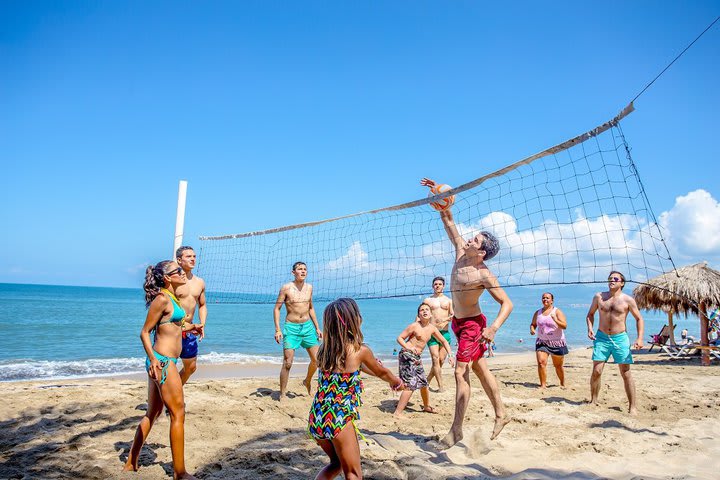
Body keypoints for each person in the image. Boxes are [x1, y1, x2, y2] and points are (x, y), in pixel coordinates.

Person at [421, 177, 513, 447]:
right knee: (481, 369)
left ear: (481, 252)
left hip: (474, 325)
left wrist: (493, 328)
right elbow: (448, 219)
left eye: (476, 239)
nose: (470, 239)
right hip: (459, 324)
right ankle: (501, 414)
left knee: (461, 373)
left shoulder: (484, 274)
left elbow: (507, 304)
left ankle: (456, 430)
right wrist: (438, 194)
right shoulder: (461, 251)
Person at [307, 298, 403, 480]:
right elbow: (381, 372)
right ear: (353, 320)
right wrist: (395, 381)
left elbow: (357, 369)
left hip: (317, 416)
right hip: (339, 417)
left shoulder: (323, 350)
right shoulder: (360, 350)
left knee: (336, 464)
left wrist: (373, 368)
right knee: (353, 473)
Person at [123, 261, 203, 480]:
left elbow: (172, 325)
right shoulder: (162, 299)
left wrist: (191, 327)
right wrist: (153, 360)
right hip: (163, 362)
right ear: (168, 277)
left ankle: (131, 462)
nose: (182, 273)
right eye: (177, 271)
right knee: (178, 413)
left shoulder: (172, 297)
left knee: (154, 412)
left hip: (164, 361)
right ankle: (180, 473)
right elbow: (145, 332)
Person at [586, 271, 644, 414]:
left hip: (620, 338)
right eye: (610, 278)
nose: (611, 280)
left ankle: (632, 407)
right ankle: (593, 400)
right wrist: (590, 329)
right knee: (597, 371)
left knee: (625, 372)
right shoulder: (599, 297)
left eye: (615, 279)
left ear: (622, 283)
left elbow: (639, 319)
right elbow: (590, 314)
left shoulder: (628, 300)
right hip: (602, 337)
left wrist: (639, 338)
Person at [394, 302, 454, 417]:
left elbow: (444, 341)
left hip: (416, 357)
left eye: (427, 309)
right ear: (419, 315)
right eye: (422, 310)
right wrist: (409, 347)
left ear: (431, 314)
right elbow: (400, 338)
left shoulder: (432, 329)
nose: (425, 311)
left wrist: (451, 356)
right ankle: (398, 413)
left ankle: (426, 406)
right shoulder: (414, 326)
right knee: (410, 385)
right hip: (406, 355)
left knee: (424, 384)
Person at [273, 261, 322, 399]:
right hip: (291, 327)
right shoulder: (286, 288)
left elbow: (311, 307)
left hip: (307, 327)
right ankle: (282, 394)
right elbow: (277, 308)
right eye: (300, 269)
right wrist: (278, 330)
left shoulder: (309, 287)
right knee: (288, 363)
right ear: (293, 272)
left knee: (318, 360)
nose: (303, 271)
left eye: (305, 269)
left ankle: (307, 381)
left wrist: (317, 328)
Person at [174, 246, 207, 385]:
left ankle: (174, 392)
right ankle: (168, 398)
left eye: (194, 256)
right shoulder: (173, 281)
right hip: (173, 328)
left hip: (190, 330)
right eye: (189, 256)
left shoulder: (200, 282)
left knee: (191, 367)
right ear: (179, 260)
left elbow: (203, 305)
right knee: (167, 368)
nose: (193, 259)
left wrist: (202, 324)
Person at [530, 292, 568, 388]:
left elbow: (564, 326)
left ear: (552, 301)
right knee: (541, 362)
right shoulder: (537, 313)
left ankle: (562, 383)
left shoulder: (557, 312)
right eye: (543, 298)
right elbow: (533, 324)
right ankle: (543, 385)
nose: (545, 299)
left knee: (558, 366)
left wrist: (555, 319)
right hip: (542, 342)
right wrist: (532, 329)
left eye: (547, 298)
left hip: (557, 342)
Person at [423, 276, 454, 392]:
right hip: (432, 333)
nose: (437, 286)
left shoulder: (449, 301)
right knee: (435, 359)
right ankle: (441, 386)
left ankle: (426, 381)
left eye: (440, 284)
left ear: (443, 286)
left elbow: (453, 315)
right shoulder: (427, 300)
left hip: (445, 333)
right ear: (432, 286)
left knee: (441, 360)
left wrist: (445, 320)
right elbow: (420, 314)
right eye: (435, 284)